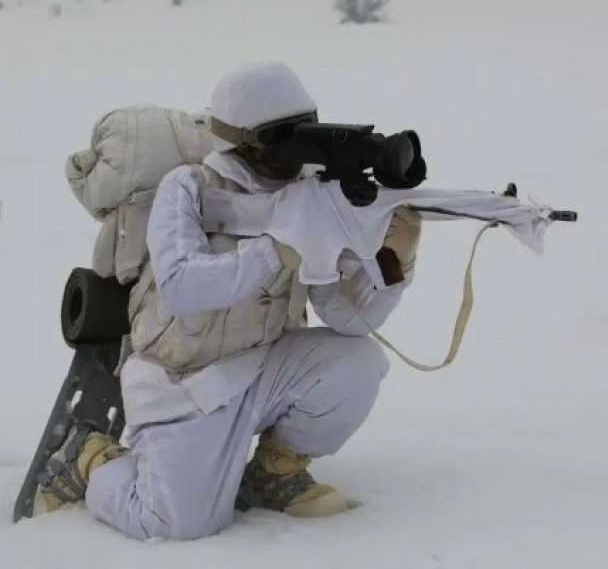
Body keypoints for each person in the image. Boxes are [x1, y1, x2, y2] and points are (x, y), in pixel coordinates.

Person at [34, 61, 421, 540]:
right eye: (283, 143)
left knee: (358, 362)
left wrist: (391, 265)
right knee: (176, 524)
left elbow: (347, 317)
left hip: (261, 370)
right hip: (181, 382)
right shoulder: (189, 187)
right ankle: (87, 459)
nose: (295, 159)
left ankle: (272, 472)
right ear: (244, 142)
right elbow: (180, 286)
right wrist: (275, 249)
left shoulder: (310, 196)